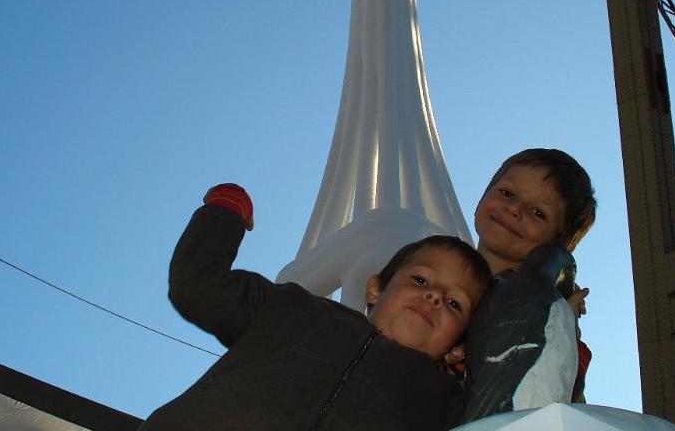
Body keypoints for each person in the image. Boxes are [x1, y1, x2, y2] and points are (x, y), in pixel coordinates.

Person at [140, 183, 492, 431]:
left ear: (458, 349)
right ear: (375, 288)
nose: (433, 297)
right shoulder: (293, 310)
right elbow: (199, 288)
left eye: (453, 303)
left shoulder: (445, 405)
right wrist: (225, 211)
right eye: (420, 280)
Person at [448, 148, 596, 403]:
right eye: (507, 193)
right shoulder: (436, 272)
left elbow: (562, 391)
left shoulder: (549, 314)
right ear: (480, 200)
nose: (514, 209)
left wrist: (562, 327)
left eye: (538, 212)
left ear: (556, 247)